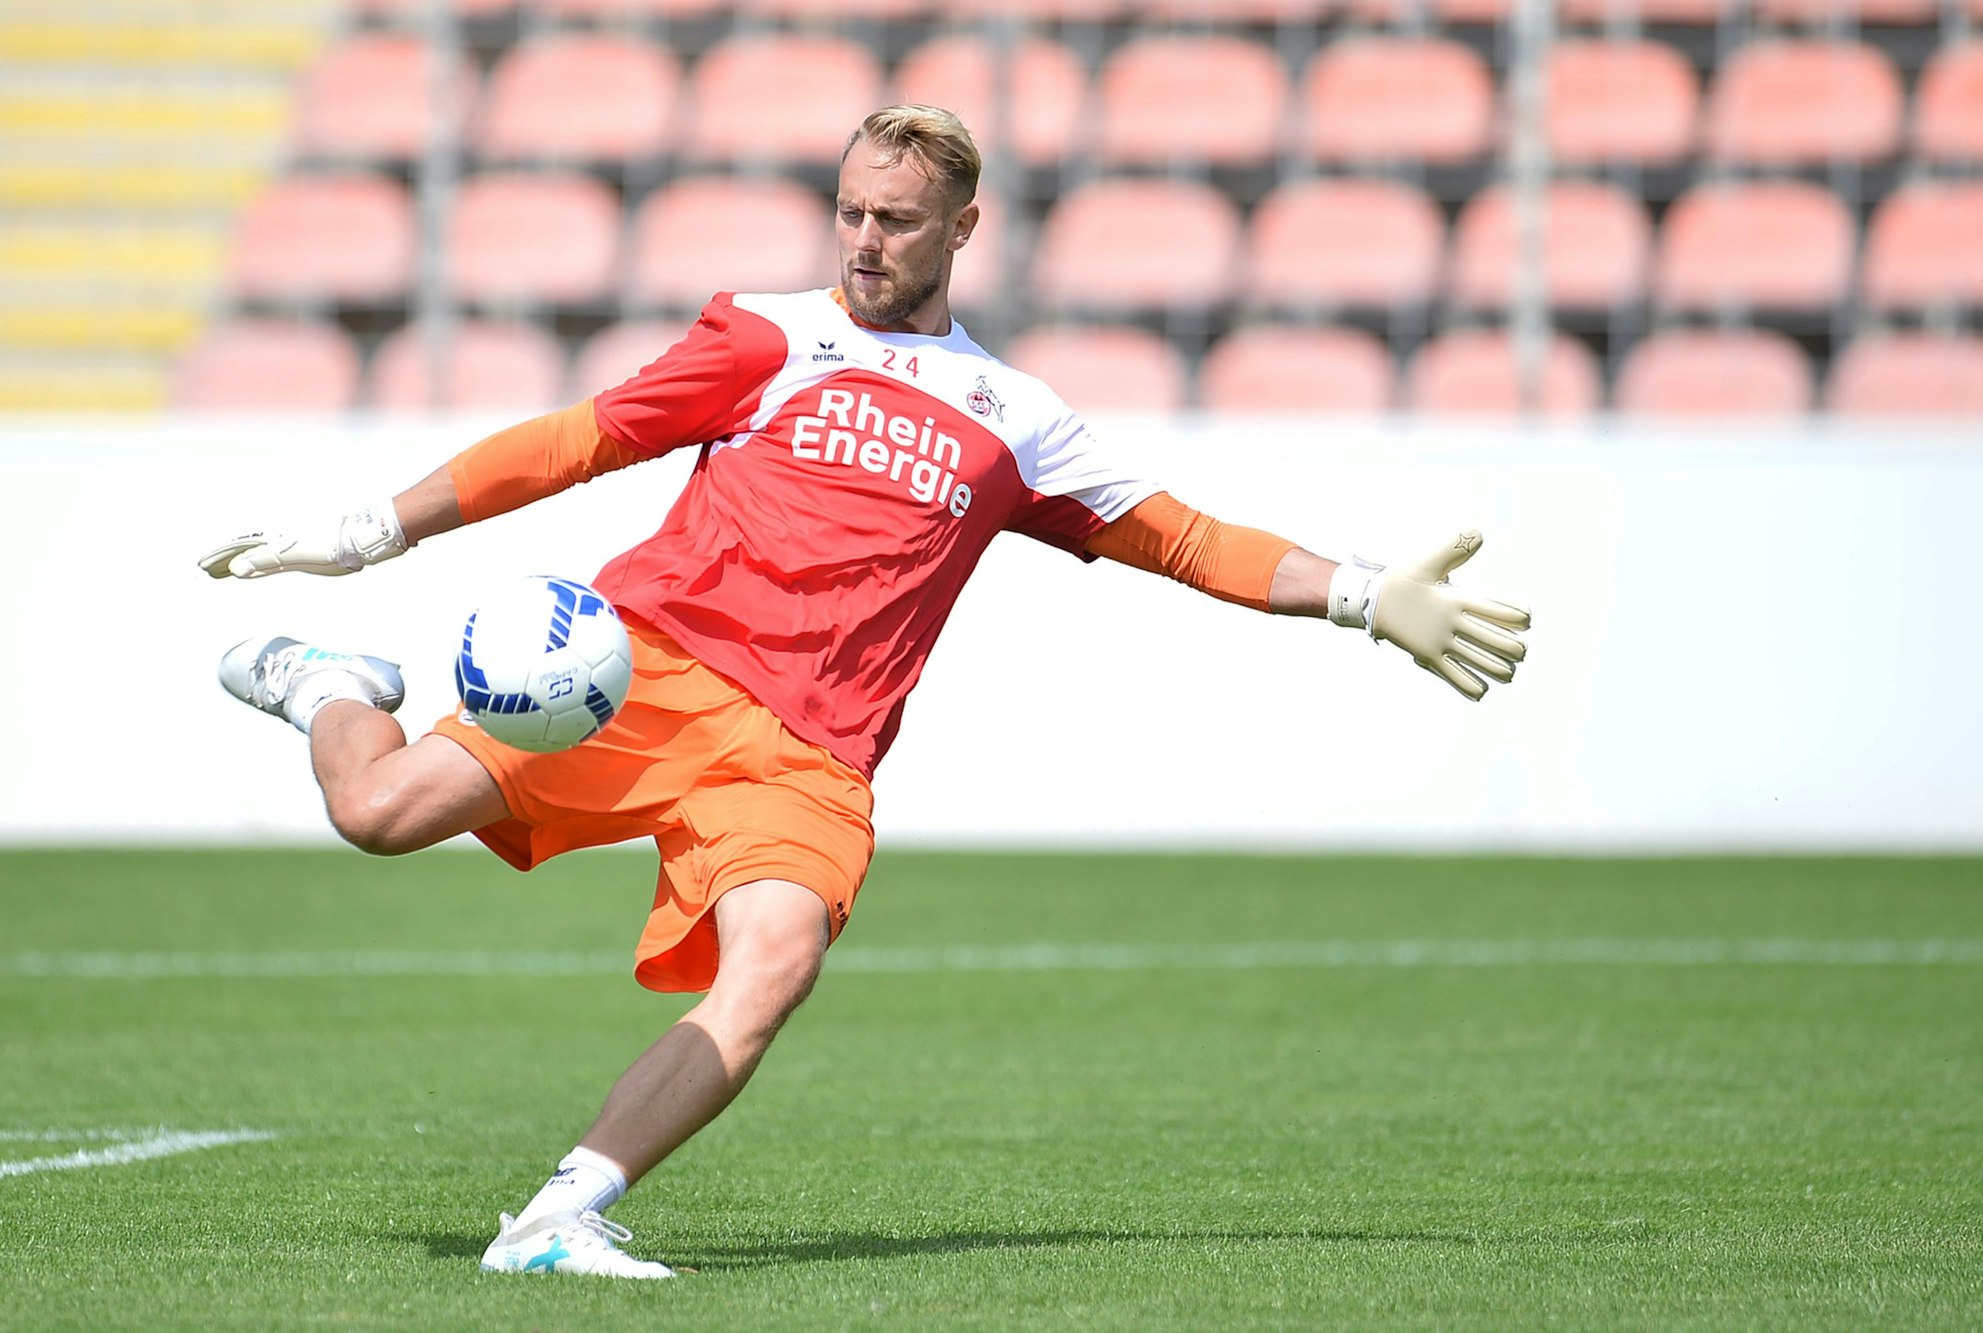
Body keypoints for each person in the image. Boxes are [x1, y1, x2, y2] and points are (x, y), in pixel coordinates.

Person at [200, 106, 1531, 1280]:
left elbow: (1183, 539)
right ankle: (331, 682)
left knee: (771, 967)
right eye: (848, 211)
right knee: (374, 811)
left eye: (895, 219)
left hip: (806, 755)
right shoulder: (767, 335)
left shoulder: (1018, 417)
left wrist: (1366, 594)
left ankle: (557, 1214)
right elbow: (578, 439)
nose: (863, 240)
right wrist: (377, 527)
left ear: (963, 228)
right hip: (643, 672)